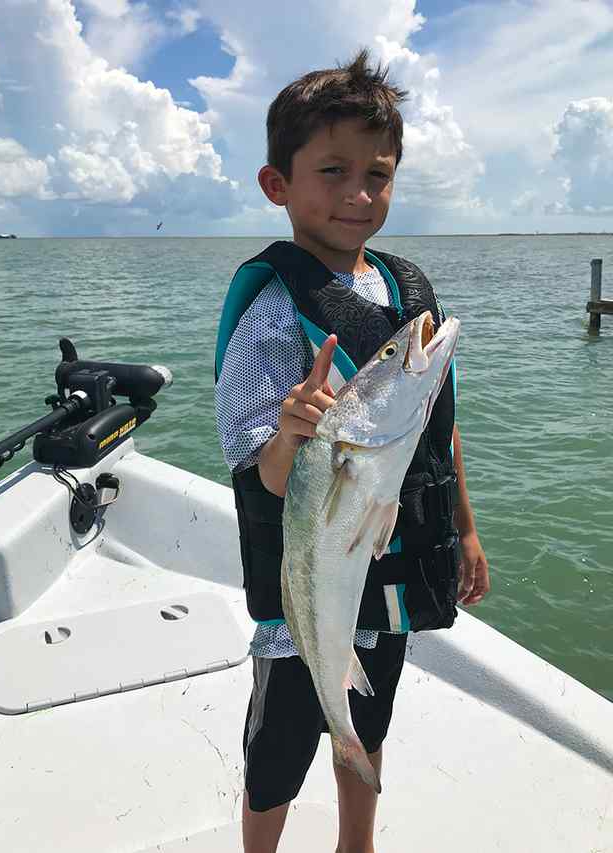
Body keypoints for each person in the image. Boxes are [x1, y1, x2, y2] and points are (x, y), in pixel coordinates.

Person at [215, 48, 490, 853]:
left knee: (366, 722)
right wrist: (293, 436)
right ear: (279, 185)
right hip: (309, 583)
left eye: (379, 173)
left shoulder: (406, 293)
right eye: (332, 171)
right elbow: (254, 467)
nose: (359, 194)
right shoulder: (272, 314)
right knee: (277, 750)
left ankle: (355, 844)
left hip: (390, 569)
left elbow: (434, 426)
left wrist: (466, 528)